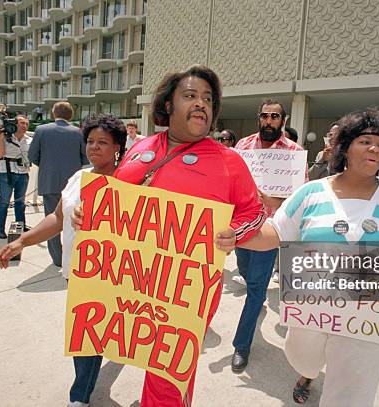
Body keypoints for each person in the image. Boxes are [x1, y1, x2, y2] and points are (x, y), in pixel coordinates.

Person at [216, 108, 379, 406]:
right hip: (310, 310)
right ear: (345, 147)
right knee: (302, 357)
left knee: (352, 392)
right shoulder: (311, 194)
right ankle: (308, 372)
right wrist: (238, 236)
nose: (375, 148)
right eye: (365, 141)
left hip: (370, 318)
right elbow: (274, 232)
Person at [72, 65, 266, 407]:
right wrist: (88, 213)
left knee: (167, 372)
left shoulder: (229, 161)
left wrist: (234, 232)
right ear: (167, 105)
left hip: (184, 291)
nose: (201, 104)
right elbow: (115, 199)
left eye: (208, 99)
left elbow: (254, 213)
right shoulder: (139, 148)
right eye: (190, 96)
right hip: (126, 278)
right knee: (126, 343)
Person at [0, 113, 126, 407]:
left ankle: (79, 397)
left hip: (111, 277)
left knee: (90, 335)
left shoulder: (128, 182)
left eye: (103, 142)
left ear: (117, 146)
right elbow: (56, 217)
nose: (94, 147)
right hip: (76, 273)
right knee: (90, 335)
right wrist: (21, 240)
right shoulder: (79, 177)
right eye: (90, 141)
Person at [231, 99, 307, 372]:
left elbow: (301, 197)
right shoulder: (243, 147)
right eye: (264, 116)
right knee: (246, 273)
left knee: (256, 288)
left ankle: (242, 345)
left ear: (283, 121)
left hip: (271, 228)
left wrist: (277, 202)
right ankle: (257, 297)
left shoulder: (294, 153)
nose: (269, 121)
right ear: (258, 118)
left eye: (275, 117)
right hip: (241, 225)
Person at [28, 101, 88, 267]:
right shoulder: (78, 132)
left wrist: (48, 165)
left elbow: (32, 155)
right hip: (73, 183)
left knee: (52, 218)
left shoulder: (41, 130)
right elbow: (86, 157)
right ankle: (74, 256)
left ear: (54, 114)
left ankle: (57, 259)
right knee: (75, 220)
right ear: (71, 115)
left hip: (50, 181)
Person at [0, 114, 31, 239]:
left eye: (26, 123)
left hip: (23, 172)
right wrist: (1, 136)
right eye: (22, 123)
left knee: (20, 202)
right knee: (4, 201)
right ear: (15, 124)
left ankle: (21, 225)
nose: (24, 126)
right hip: (6, 173)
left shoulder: (29, 140)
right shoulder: (4, 137)